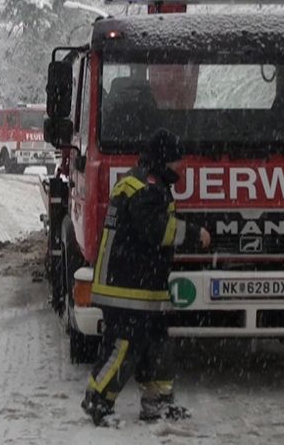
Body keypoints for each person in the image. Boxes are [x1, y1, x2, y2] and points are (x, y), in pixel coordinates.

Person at [81, 128, 211, 427]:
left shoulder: (143, 182)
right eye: (180, 161)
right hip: (127, 287)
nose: (184, 167)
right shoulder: (146, 189)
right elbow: (157, 230)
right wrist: (194, 233)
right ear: (165, 160)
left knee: (157, 343)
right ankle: (97, 399)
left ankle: (158, 403)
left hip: (143, 285)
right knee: (124, 345)